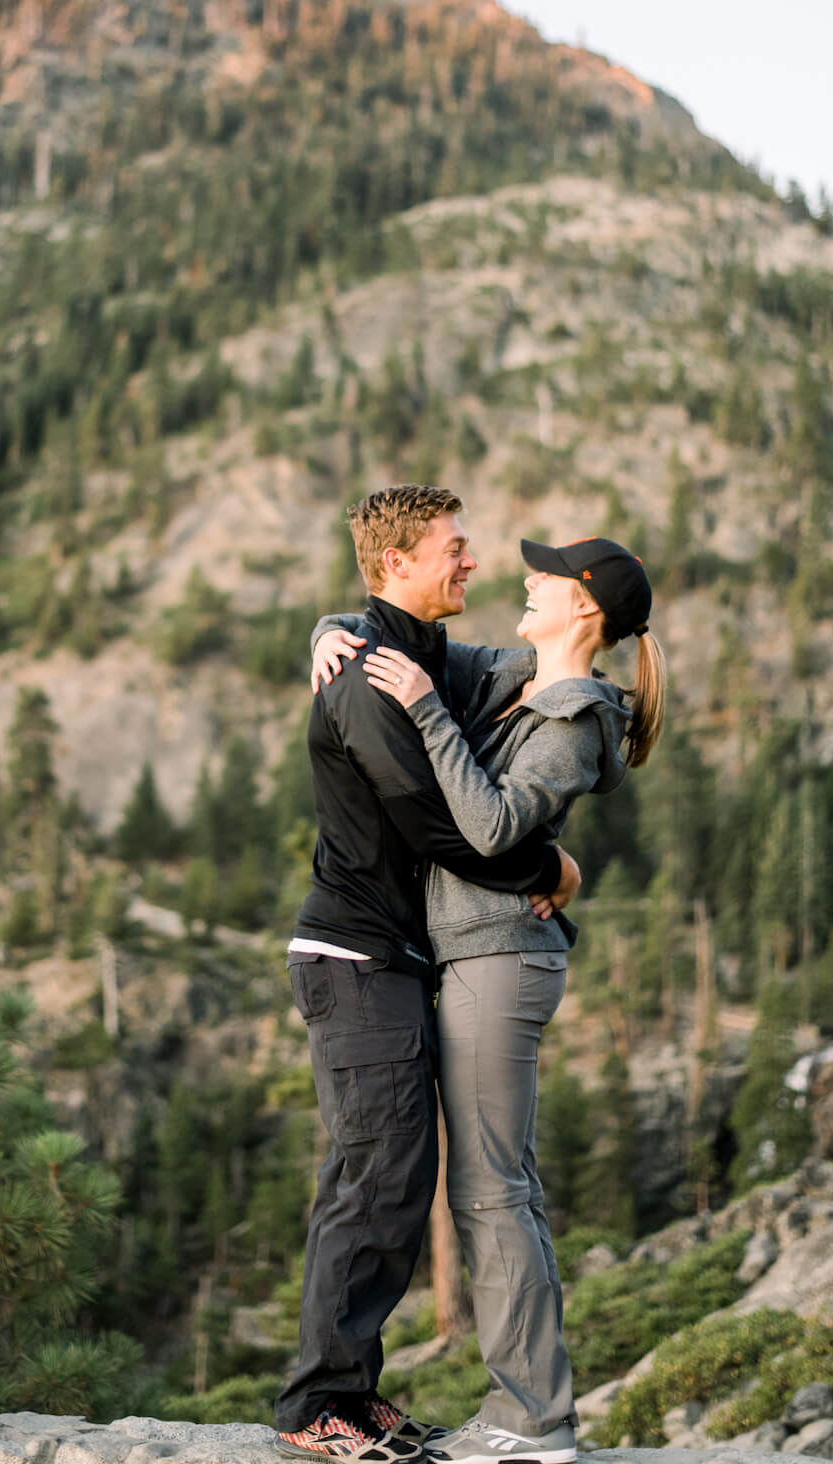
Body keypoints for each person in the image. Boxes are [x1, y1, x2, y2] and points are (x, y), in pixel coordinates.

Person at [311, 535, 665, 1464]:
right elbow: (398, 631)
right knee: (493, 1188)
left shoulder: (575, 719)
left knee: (494, 1192)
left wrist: (428, 715)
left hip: (500, 957)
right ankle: (527, 1412)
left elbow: (494, 826)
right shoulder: (510, 670)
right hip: (467, 954)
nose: (526, 580)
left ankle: (532, 1420)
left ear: (584, 606)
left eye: (547, 575)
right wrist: (329, 633)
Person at [276, 486, 581, 1464]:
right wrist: (550, 871)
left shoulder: (422, 656)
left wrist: (328, 622)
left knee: (391, 1179)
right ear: (399, 560)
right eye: (455, 547)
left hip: (392, 960)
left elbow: (545, 669)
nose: (471, 561)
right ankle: (318, 1404)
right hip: (356, 955)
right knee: (376, 1178)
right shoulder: (370, 676)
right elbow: (438, 826)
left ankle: (350, 1395)